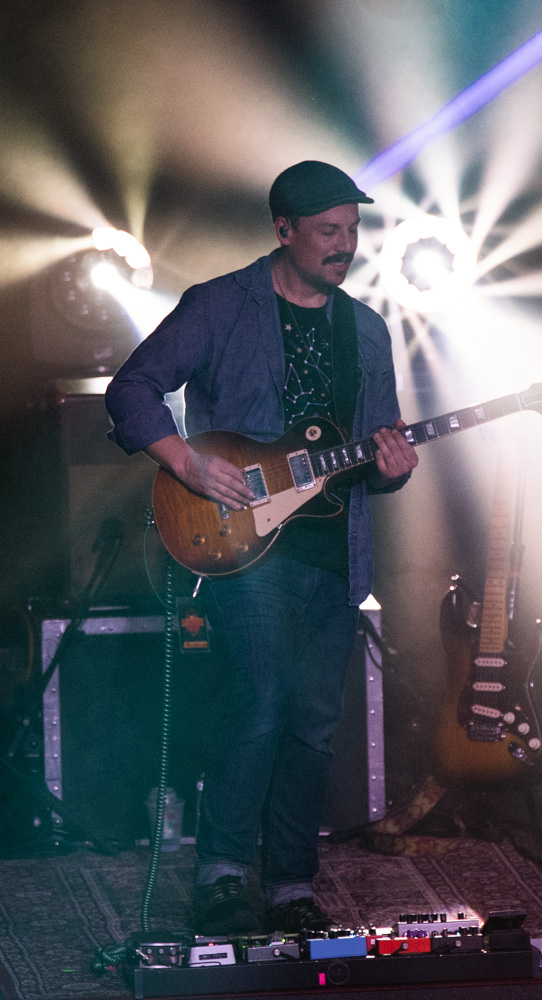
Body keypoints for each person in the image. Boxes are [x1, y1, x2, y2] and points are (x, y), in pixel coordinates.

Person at [105, 160, 418, 936]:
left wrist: (394, 470)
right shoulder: (221, 306)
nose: (344, 246)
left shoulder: (365, 330)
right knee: (259, 703)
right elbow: (131, 390)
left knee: (313, 723)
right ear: (283, 230)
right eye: (327, 232)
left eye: (352, 231)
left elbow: (374, 456)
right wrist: (186, 462)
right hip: (246, 547)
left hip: (333, 554)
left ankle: (287, 882)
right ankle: (219, 873)